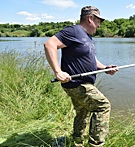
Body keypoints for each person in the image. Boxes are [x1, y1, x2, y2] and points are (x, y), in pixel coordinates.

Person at [44, 6, 118, 147]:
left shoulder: (88, 38)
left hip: (83, 83)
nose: (99, 25)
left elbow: (91, 60)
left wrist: (105, 68)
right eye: (98, 21)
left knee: (83, 112)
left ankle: (77, 143)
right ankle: (96, 145)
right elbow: (50, 44)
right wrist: (58, 71)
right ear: (90, 18)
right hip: (77, 83)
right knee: (103, 106)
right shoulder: (74, 31)